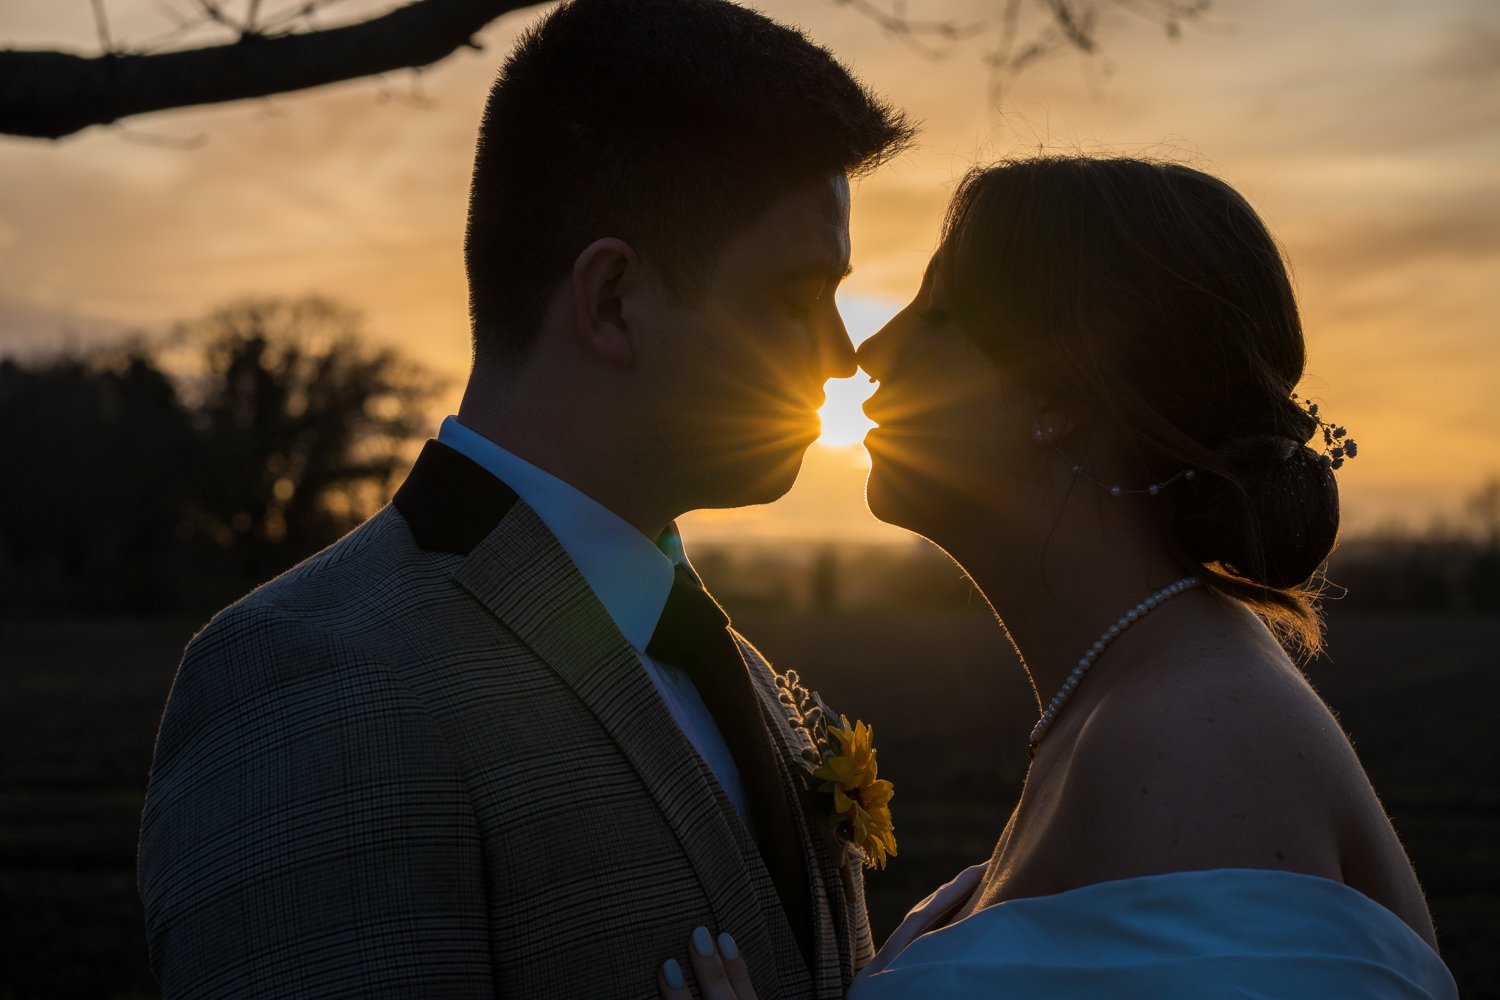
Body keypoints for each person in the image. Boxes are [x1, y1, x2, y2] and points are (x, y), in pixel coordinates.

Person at [137, 0, 914, 995]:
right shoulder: (313, 677)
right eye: (797, 296)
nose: (841, 356)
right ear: (612, 300)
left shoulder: (738, 668)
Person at [659, 157, 1459, 998]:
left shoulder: (1194, 745)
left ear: (1058, 397)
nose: (872, 349)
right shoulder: (1132, 707)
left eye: (934, 316)